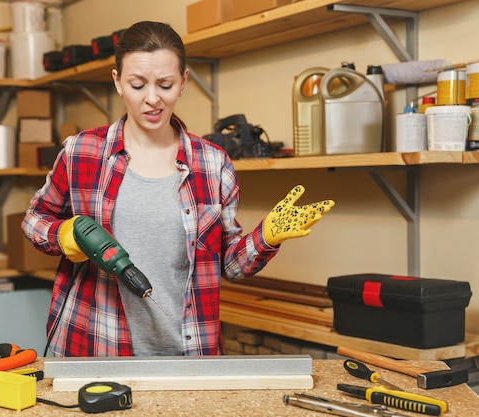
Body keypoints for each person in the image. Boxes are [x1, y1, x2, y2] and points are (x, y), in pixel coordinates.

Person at [21, 21, 334, 357]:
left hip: (187, 350)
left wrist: (266, 238)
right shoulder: (81, 152)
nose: (152, 99)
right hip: (96, 344)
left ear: (183, 81)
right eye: (138, 85)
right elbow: (35, 218)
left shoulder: (213, 164)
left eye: (166, 84)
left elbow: (228, 264)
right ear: (117, 82)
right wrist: (62, 234)